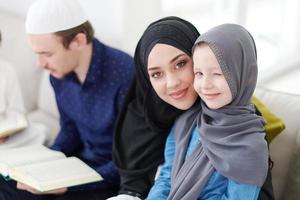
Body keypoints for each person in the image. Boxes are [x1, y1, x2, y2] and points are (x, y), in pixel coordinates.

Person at [110, 17, 274, 200]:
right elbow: (164, 178)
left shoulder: (243, 129)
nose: (172, 83)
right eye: (156, 74)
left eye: (180, 64)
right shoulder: (182, 121)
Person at [0, 0, 134, 199]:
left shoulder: (125, 74)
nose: (40, 64)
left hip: (108, 179)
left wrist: (68, 188)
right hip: (75, 167)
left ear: (78, 41)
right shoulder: (58, 75)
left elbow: (131, 164)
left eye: (47, 54)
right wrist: (43, 163)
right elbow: (70, 130)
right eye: (37, 54)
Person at [0, 31, 47, 149]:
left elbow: (17, 109)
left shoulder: (7, 70)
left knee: (40, 131)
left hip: (3, 129)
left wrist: (9, 131)